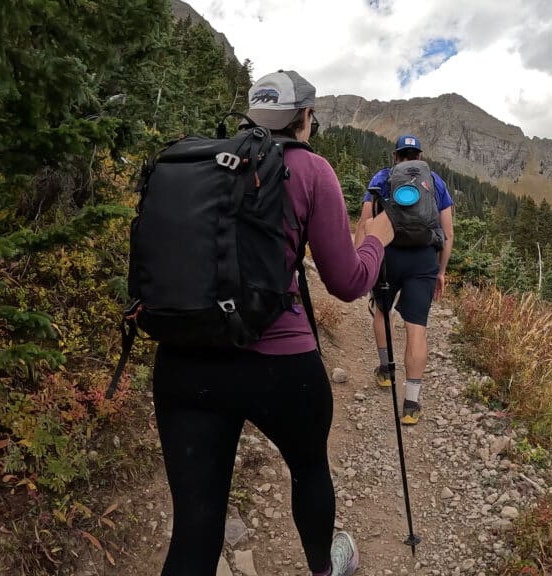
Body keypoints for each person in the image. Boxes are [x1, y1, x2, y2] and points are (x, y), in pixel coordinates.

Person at [151, 70, 394, 576]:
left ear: (253, 115)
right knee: (309, 471)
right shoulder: (310, 169)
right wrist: (375, 240)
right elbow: (348, 283)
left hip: (184, 360)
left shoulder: (207, 163)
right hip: (279, 363)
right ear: (306, 118)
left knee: (195, 527)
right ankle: (325, 568)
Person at [353, 134, 454, 425]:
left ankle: (386, 371)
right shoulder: (435, 182)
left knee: (382, 310)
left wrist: (361, 262)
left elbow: (365, 221)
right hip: (423, 259)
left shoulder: (383, 177)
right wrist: (441, 271)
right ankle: (411, 403)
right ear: (419, 156)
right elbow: (447, 233)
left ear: (396, 156)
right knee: (417, 327)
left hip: (388, 255)